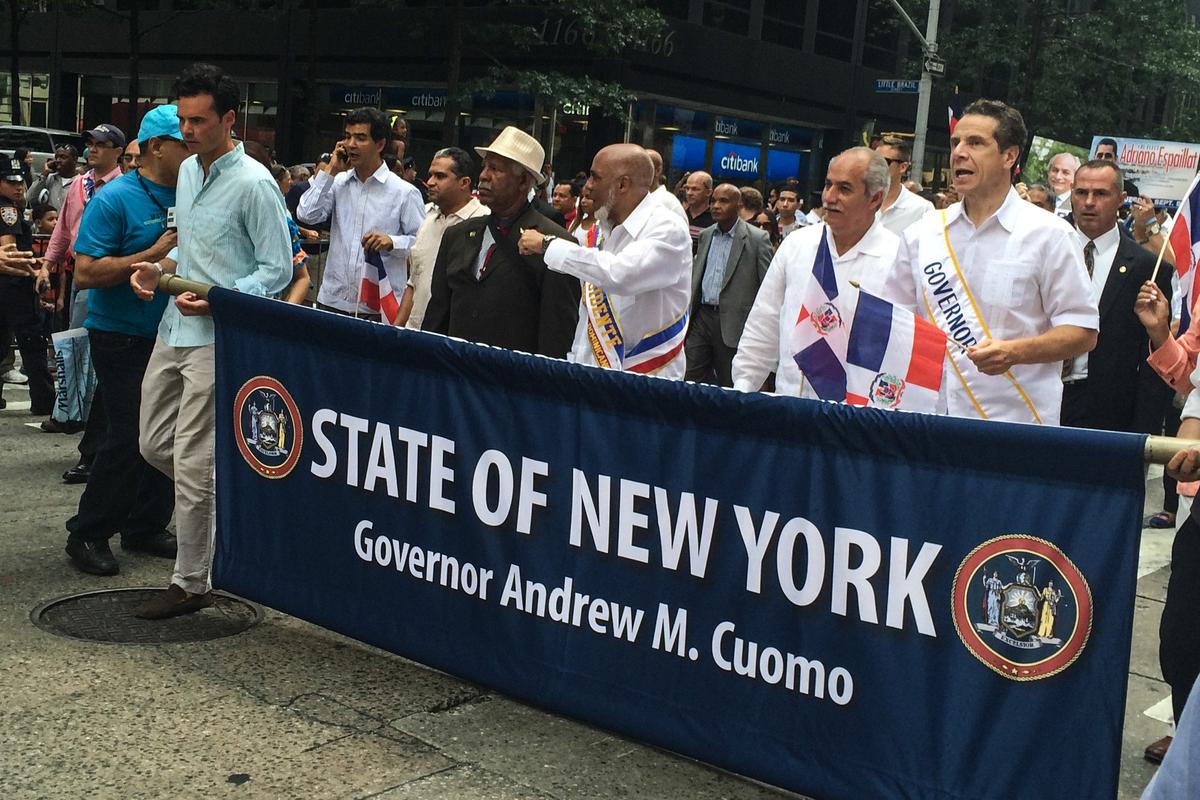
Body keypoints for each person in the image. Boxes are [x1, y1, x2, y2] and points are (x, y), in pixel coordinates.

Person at [127, 63, 292, 619]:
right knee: (153, 443)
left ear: (230, 118)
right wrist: (158, 269)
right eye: (183, 120)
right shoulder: (190, 174)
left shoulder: (255, 183)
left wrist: (220, 296)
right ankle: (231, 501)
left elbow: (276, 271)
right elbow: (192, 252)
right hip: (173, 326)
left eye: (199, 120)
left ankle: (192, 580)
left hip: (218, 336)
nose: (189, 130)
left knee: (196, 464)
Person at [882, 99, 1097, 425]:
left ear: (1009, 156)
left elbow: (1082, 331)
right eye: (956, 143)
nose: (959, 153)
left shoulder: (1049, 235)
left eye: (976, 143)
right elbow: (895, 322)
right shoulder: (922, 233)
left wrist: (1015, 353)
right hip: (930, 420)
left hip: (1014, 425)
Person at [61, 105, 188, 576]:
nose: (193, 148)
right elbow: (87, 272)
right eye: (184, 140)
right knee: (131, 432)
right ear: (157, 146)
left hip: (173, 332)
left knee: (167, 431)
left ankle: (145, 523)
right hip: (121, 336)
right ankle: (89, 531)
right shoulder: (115, 199)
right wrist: (152, 254)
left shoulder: (191, 191)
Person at [732, 147, 899, 396]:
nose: (829, 197)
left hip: (855, 418)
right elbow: (763, 323)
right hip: (790, 407)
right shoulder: (797, 244)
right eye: (828, 185)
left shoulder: (897, 259)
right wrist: (743, 387)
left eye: (844, 189)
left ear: (875, 198)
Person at [517, 143, 692, 379]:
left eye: (595, 178)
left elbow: (620, 275)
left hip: (647, 380)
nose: (587, 187)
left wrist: (549, 245)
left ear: (622, 185)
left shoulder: (668, 228)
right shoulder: (603, 229)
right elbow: (589, 310)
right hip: (592, 375)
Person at [422, 127, 579, 357]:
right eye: (485, 166)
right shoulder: (457, 235)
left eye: (495, 169)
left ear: (524, 181)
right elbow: (437, 315)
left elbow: (556, 337)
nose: (483, 175)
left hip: (510, 384)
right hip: (454, 377)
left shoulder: (557, 245)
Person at [1060, 159, 1172, 433]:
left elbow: (1153, 354)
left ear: (1121, 199)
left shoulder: (1147, 267)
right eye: (1081, 192)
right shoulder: (1045, 249)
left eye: (1100, 194)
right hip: (1040, 397)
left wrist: (1144, 431)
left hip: (1108, 413)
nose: (1088, 202)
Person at [297, 107, 424, 322]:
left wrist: (392, 241)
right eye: (348, 136)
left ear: (380, 144)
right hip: (333, 300)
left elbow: (421, 247)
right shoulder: (337, 183)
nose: (351, 144)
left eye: (360, 137)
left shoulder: (404, 192)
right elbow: (307, 214)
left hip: (378, 306)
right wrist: (330, 171)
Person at [684, 183, 772, 386]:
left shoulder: (757, 238)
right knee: (689, 377)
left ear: (739, 204)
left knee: (729, 383)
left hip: (734, 322)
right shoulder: (706, 235)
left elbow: (767, 287)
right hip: (702, 316)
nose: (715, 206)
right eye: (713, 201)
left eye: (723, 201)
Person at [399, 146, 488, 330]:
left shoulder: (483, 222)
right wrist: (397, 328)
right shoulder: (425, 215)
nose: (430, 182)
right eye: (430, 175)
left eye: (440, 176)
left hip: (452, 339)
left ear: (464, 183)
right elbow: (414, 281)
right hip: (414, 333)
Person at [0, 157, 52, 414]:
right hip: (14, 285)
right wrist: (32, 267)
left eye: (20, 181)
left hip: (9, 284)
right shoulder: (7, 210)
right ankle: (44, 401)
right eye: (10, 182)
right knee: (32, 342)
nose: (18, 187)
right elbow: (8, 252)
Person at [876, 135, 934, 235]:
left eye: (885, 162)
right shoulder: (859, 202)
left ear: (903, 167)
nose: (877, 167)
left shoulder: (922, 209)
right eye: (874, 161)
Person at [26, 145, 79, 211]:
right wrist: (45, 174)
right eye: (56, 157)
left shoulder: (81, 182)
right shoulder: (50, 178)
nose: (58, 160)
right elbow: (30, 198)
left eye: (63, 157)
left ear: (75, 159)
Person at [645, 149, 688, 222]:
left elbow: (681, 232)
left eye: (643, 168)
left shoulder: (670, 203)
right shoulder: (632, 199)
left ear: (657, 171)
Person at [683, 170, 714, 248]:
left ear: (708, 192)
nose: (689, 193)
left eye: (695, 189)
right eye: (687, 188)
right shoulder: (680, 215)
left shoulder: (715, 220)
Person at [1047, 151, 1079, 217]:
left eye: (1065, 172)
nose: (1058, 177)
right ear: (1048, 172)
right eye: (1055, 170)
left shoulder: (1077, 205)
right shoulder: (1035, 196)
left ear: (1076, 177)